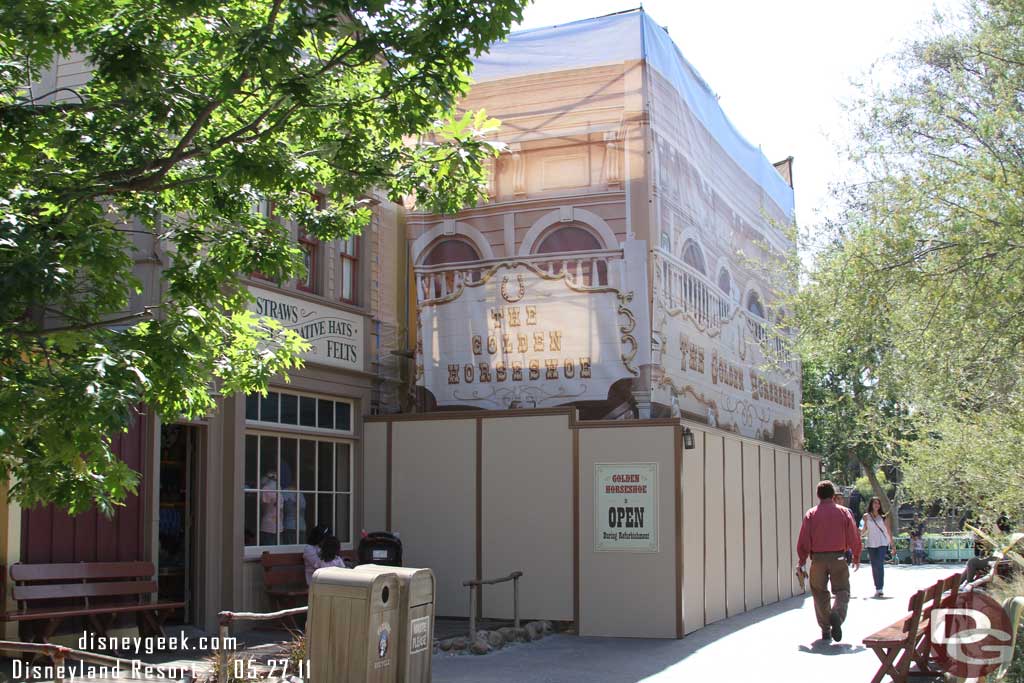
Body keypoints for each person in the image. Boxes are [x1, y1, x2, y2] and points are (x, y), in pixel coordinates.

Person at [796, 480, 862, 643]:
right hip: (838, 557)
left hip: (817, 559)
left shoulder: (811, 514)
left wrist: (802, 560)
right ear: (833, 495)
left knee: (819, 592)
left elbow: (803, 539)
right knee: (842, 590)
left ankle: (825, 628)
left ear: (818, 495)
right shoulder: (844, 512)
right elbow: (853, 535)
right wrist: (856, 555)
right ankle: (837, 615)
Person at [862, 497, 894, 597]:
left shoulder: (884, 517)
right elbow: (864, 529)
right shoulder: (866, 516)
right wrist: (858, 536)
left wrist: (893, 545)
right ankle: (877, 587)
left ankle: (880, 588)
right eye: (875, 503)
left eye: (878, 503)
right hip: (871, 544)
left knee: (879, 564)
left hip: (882, 543)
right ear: (871, 504)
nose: (877, 505)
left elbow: (888, 531)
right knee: (874, 566)